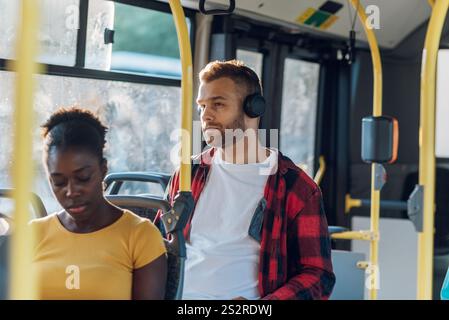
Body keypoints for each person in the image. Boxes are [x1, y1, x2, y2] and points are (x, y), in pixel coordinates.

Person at [163, 60, 335, 300]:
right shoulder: (187, 174)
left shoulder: (295, 187)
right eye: (201, 106)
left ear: (253, 109)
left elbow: (318, 275)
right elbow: (160, 244)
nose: (206, 116)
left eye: (218, 104)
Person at [30, 107, 167, 300]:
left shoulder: (140, 236)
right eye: (59, 182)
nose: (71, 192)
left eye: (83, 178)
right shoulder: (33, 234)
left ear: (103, 170)